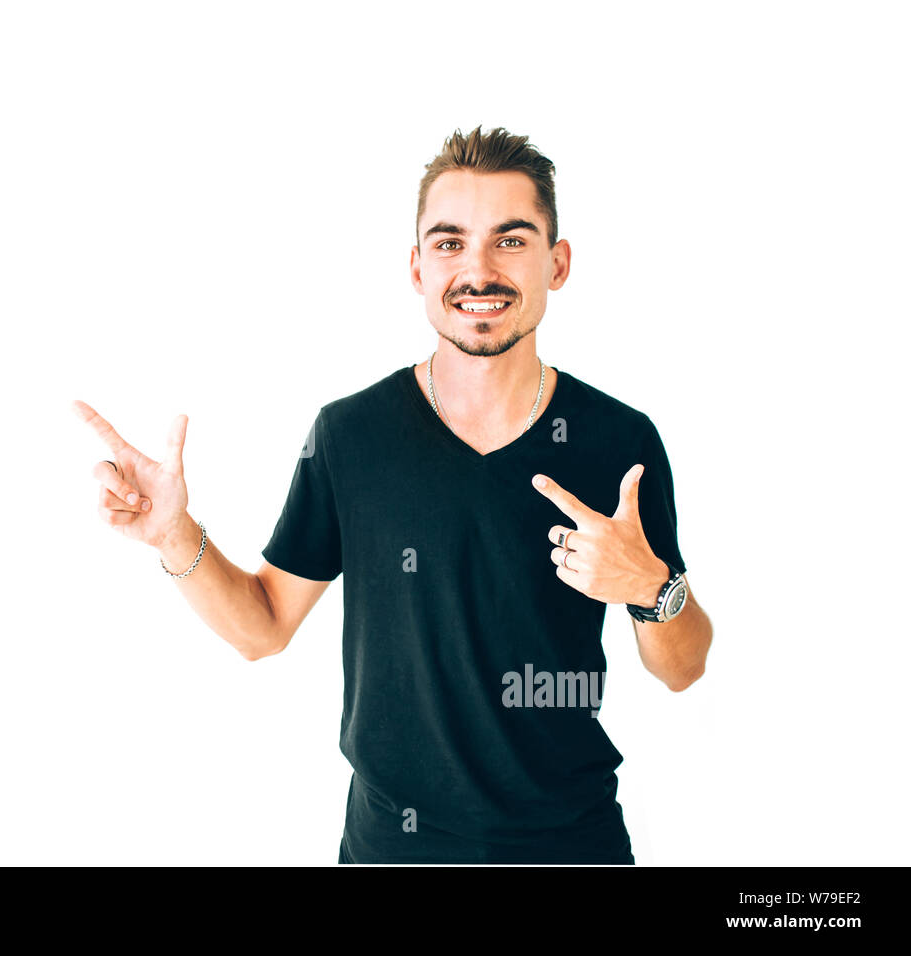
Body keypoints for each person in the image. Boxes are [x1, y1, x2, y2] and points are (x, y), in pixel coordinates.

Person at [71, 125, 714, 865]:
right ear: (416, 267)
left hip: (572, 847)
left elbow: (682, 667)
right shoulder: (351, 436)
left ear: (557, 263)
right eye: (449, 243)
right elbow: (264, 627)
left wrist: (650, 587)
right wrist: (172, 533)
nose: (478, 270)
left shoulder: (618, 442)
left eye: (510, 240)